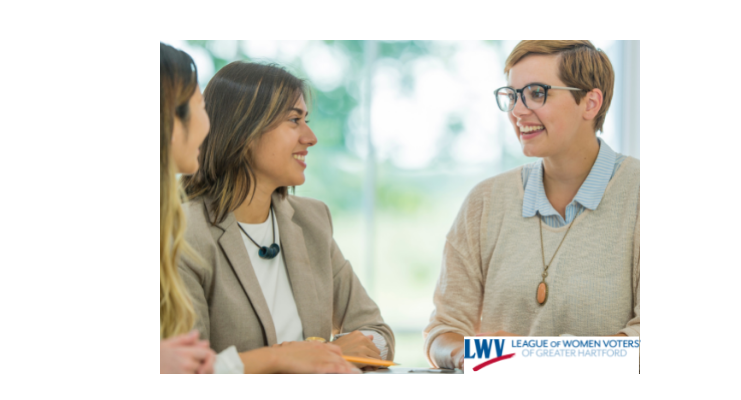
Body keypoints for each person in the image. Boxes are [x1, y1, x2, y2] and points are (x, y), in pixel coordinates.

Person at [424, 40, 639, 370]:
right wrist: (467, 354)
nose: (518, 111)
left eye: (537, 93)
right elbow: (443, 331)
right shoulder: (484, 202)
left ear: (590, 103)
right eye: (512, 96)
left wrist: (535, 360)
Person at [180, 61, 395, 370]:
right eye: (294, 120)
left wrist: (336, 352)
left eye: (306, 120)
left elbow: (379, 332)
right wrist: (305, 359)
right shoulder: (186, 232)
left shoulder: (312, 220)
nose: (310, 137)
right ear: (244, 129)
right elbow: (188, 371)